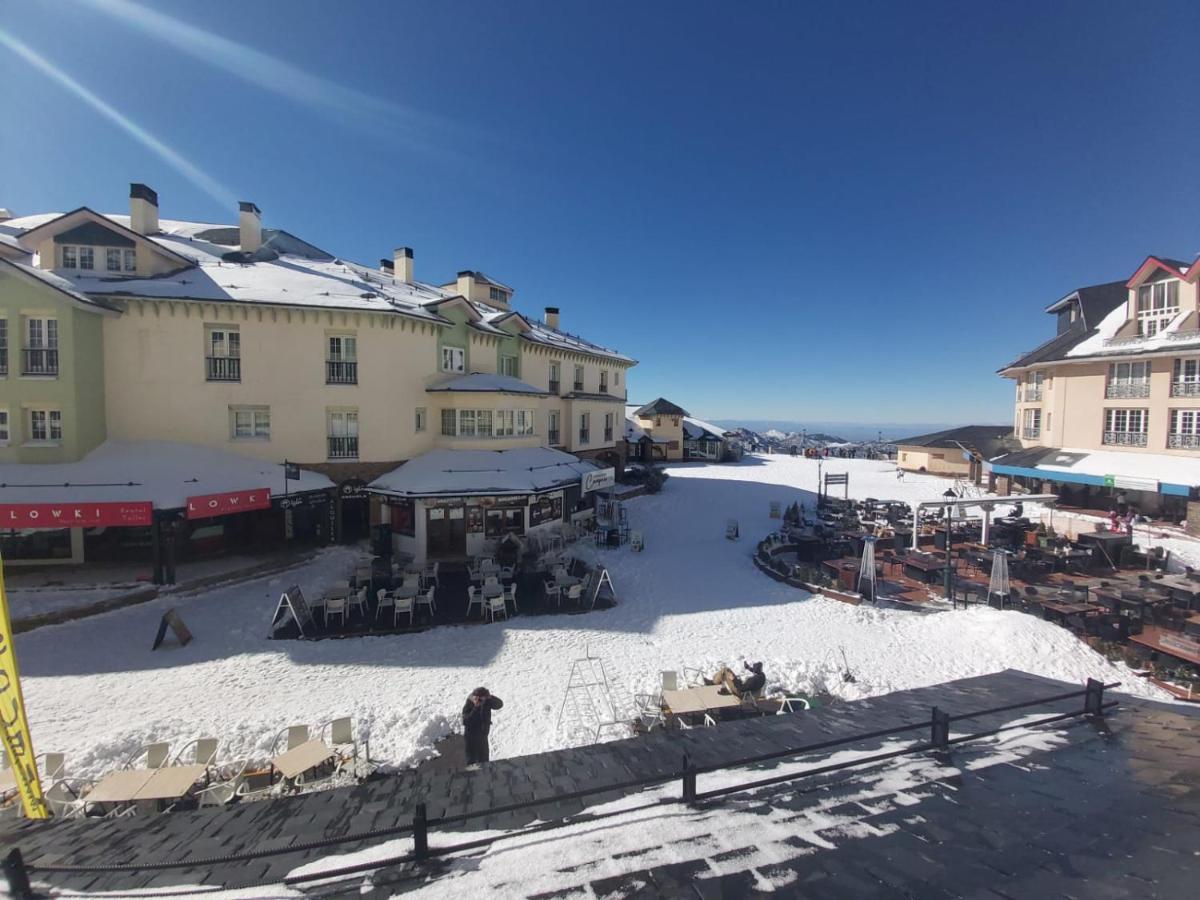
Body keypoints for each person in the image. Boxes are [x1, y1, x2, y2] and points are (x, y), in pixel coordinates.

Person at [462, 687, 503, 766]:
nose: (483, 701)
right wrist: (476, 708)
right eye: (482, 699)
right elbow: (466, 721)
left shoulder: (486, 701)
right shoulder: (470, 703)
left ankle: (485, 776)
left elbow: (499, 704)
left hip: (483, 735)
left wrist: (490, 697)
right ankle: (471, 776)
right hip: (471, 737)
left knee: (484, 760)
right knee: (472, 761)